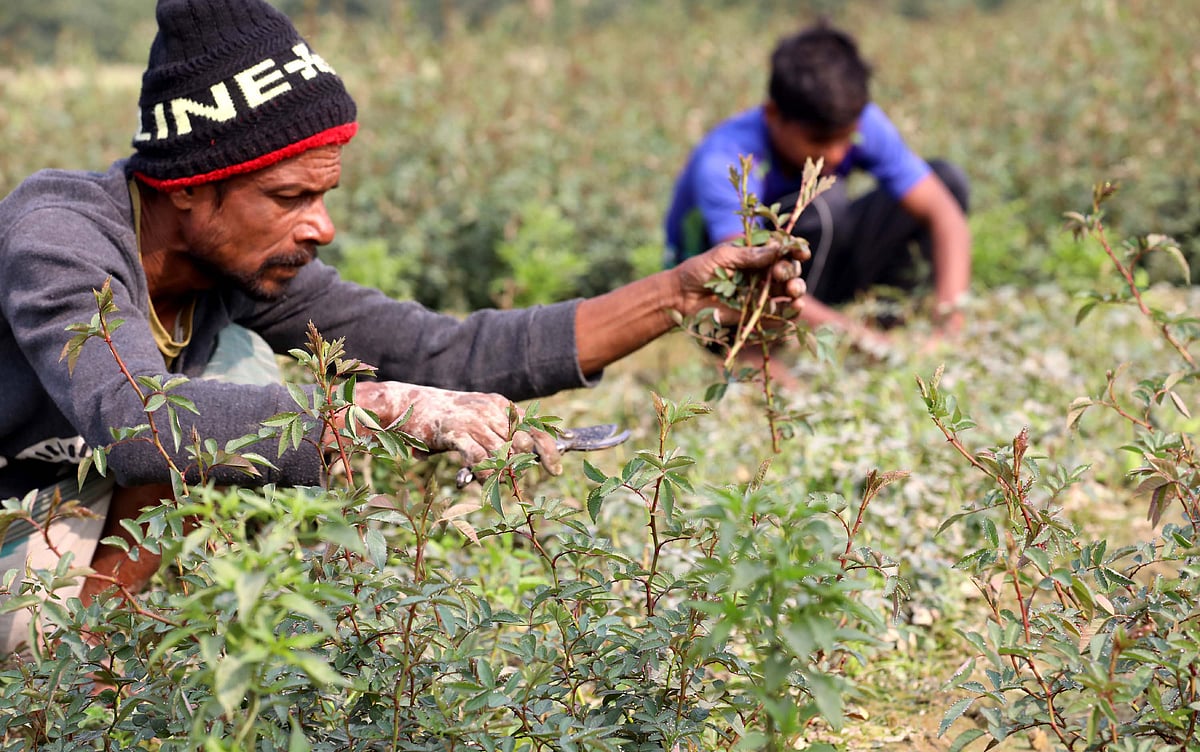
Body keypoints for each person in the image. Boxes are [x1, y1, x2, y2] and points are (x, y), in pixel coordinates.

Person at [0, 0, 808, 651]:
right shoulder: (59, 236)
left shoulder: (239, 267)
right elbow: (138, 420)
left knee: (244, 401)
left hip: (86, 514)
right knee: (232, 382)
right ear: (187, 185)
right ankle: (84, 668)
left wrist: (678, 294)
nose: (320, 226)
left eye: (323, 196)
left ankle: (109, 642)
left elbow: (442, 353)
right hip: (16, 512)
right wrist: (376, 411)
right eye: (289, 197)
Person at [664, 21, 971, 367]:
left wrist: (950, 327)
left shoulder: (856, 120)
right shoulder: (726, 158)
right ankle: (768, 354)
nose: (836, 155)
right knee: (823, 205)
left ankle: (888, 321)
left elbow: (944, 215)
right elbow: (739, 273)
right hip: (726, 304)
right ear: (773, 115)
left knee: (945, 182)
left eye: (846, 138)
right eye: (820, 142)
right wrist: (858, 339)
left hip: (816, 276)